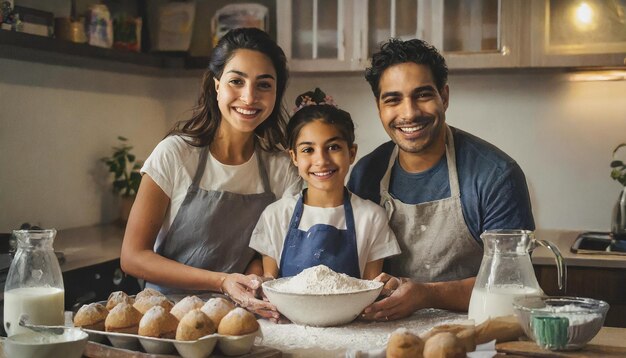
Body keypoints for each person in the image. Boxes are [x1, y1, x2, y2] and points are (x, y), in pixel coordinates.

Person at [347, 38, 535, 320]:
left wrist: (428, 294)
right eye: (393, 99)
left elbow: (511, 285)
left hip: (474, 334)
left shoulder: (496, 175)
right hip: (383, 333)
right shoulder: (366, 173)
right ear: (379, 106)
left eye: (422, 95)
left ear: (444, 97)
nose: (409, 113)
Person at [120, 28, 301, 319]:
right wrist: (221, 281)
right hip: (163, 316)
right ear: (216, 85)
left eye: (264, 85)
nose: (249, 96)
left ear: (276, 92)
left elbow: (265, 251)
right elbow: (132, 257)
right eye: (236, 81)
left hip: (239, 317)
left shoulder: (281, 169)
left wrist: (254, 280)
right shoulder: (176, 155)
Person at [249, 88, 400, 280]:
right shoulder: (276, 215)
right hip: (287, 311)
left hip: (353, 311)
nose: (321, 160)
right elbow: (270, 282)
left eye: (333, 147)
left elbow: (372, 287)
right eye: (308, 150)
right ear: (294, 157)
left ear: (352, 153)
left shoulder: (371, 217)